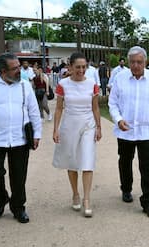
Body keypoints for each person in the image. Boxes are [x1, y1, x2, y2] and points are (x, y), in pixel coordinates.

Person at [0, 53, 42, 223]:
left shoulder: (25, 86)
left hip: (20, 139)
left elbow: (34, 111)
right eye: (15, 68)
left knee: (19, 177)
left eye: (19, 66)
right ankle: (1, 199)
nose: (19, 70)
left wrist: (37, 134)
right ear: (3, 71)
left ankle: (18, 208)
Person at [108, 46, 149, 219]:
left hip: (147, 130)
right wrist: (118, 119)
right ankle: (126, 188)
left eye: (139, 62)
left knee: (148, 166)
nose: (136, 65)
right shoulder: (119, 78)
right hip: (126, 130)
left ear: (145, 62)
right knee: (125, 161)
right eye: (132, 62)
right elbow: (113, 103)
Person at [52, 52, 102, 218]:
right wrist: (55, 129)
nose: (81, 70)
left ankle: (87, 199)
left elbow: (95, 108)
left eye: (84, 67)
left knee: (87, 160)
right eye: (78, 67)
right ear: (70, 67)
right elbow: (59, 108)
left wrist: (99, 127)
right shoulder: (63, 84)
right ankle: (75, 193)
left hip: (88, 124)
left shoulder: (92, 84)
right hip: (69, 125)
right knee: (72, 160)